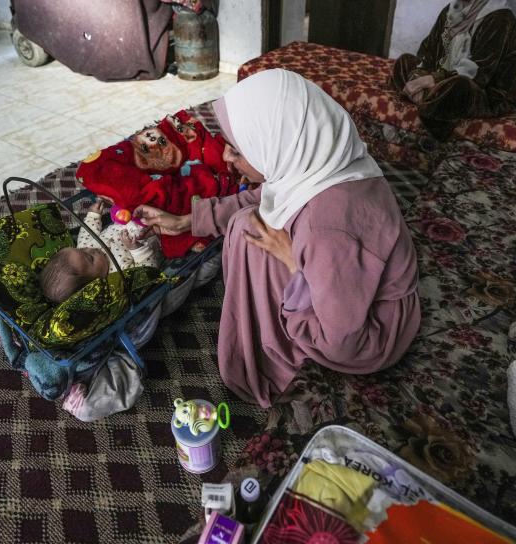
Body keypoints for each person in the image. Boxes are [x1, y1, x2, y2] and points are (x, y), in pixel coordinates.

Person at [134, 69, 421, 408]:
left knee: (249, 236)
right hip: (349, 288)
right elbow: (266, 196)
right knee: (249, 222)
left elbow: (343, 342)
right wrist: (188, 220)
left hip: (373, 334)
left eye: (237, 150)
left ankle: (276, 362)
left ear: (276, 147)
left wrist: (293, 267)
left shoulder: (325, 230)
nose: (226, 158)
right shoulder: (324, 159)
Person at [391, 0, 516, 141]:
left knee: (458, 86)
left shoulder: (500, 18)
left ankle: (431, 128)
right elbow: (428, 52)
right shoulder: (452, 10)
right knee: (404, 62)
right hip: (445, 78)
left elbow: (478, 74)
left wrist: (428, 80)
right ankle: (428, 99)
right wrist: (421, 74)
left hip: (485, 94)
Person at [40, 200, 160, 304]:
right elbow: (146, 272)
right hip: (154, 234)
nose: (89, 249)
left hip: (129, 217)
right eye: (91, 258)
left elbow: (87, 232)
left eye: (80, 249)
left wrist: (94, 215)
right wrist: (136, 248)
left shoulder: (84, 247)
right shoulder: (117, 275)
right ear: (95, 283)